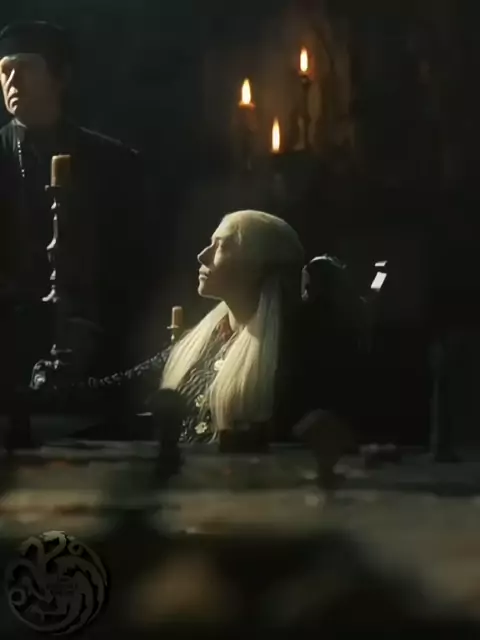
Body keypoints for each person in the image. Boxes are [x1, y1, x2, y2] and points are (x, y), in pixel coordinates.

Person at [51, 210, 357, 481]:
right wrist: (47, 393)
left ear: (256, 265)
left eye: (221, 246)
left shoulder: (292, 354)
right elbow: (119, 388)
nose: (202, 256)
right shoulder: (204, 340)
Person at [0, 21, 151, 444]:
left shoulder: (113, 165)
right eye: (4, 70)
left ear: (60, 76)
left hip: (97, 373)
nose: (12, 81)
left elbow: (137, 268)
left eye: (25, 68)